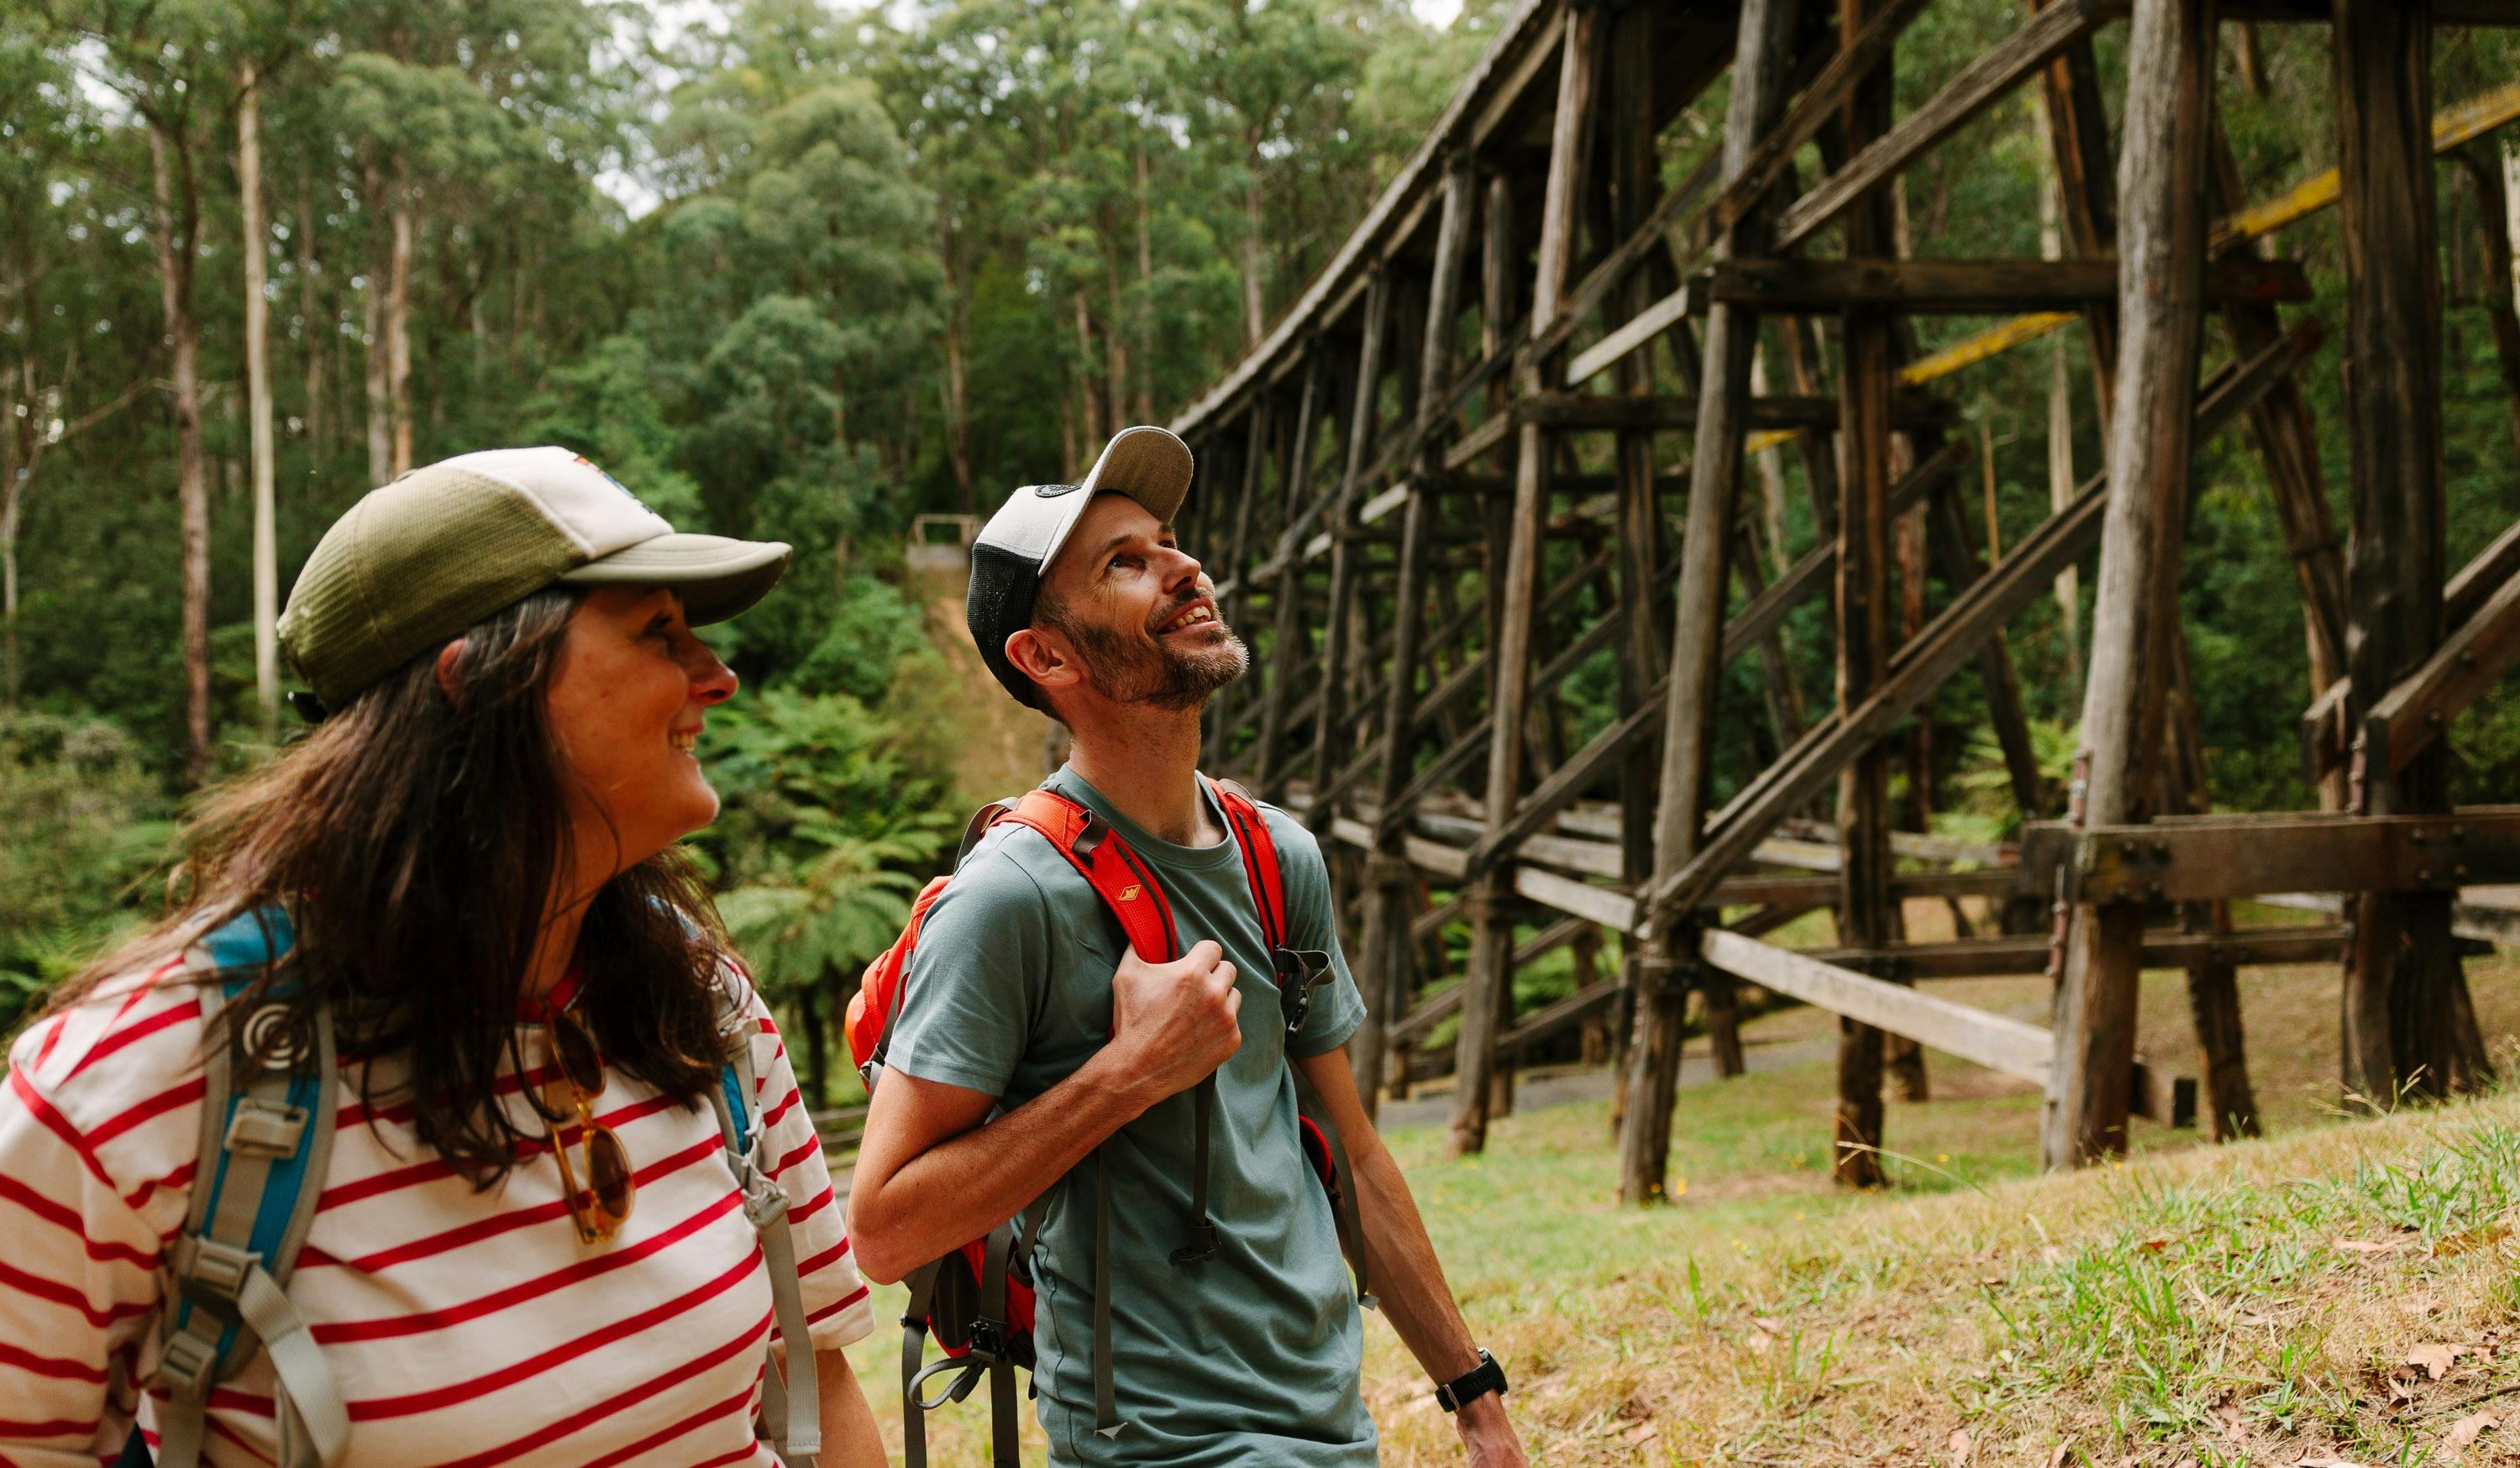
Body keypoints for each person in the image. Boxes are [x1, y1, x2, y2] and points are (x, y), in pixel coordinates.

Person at [0, 447, 885, 1467]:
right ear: (478, 687)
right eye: (658, 631)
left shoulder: (705, 1006)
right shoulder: (147, 1083)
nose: (716, 677)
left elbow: (813, 1372)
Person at [848, 427, 1529, 1467]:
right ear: (1047, 656)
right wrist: (1128, 1074)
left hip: (1333, 1427)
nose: (1184, 567)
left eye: (1169, 541)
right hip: (1151, 1445)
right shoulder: (1010, 898)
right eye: (1126, 562)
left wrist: (1475, 1401)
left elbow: (1349, 1156)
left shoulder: (1275, 855)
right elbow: (885, 1229)